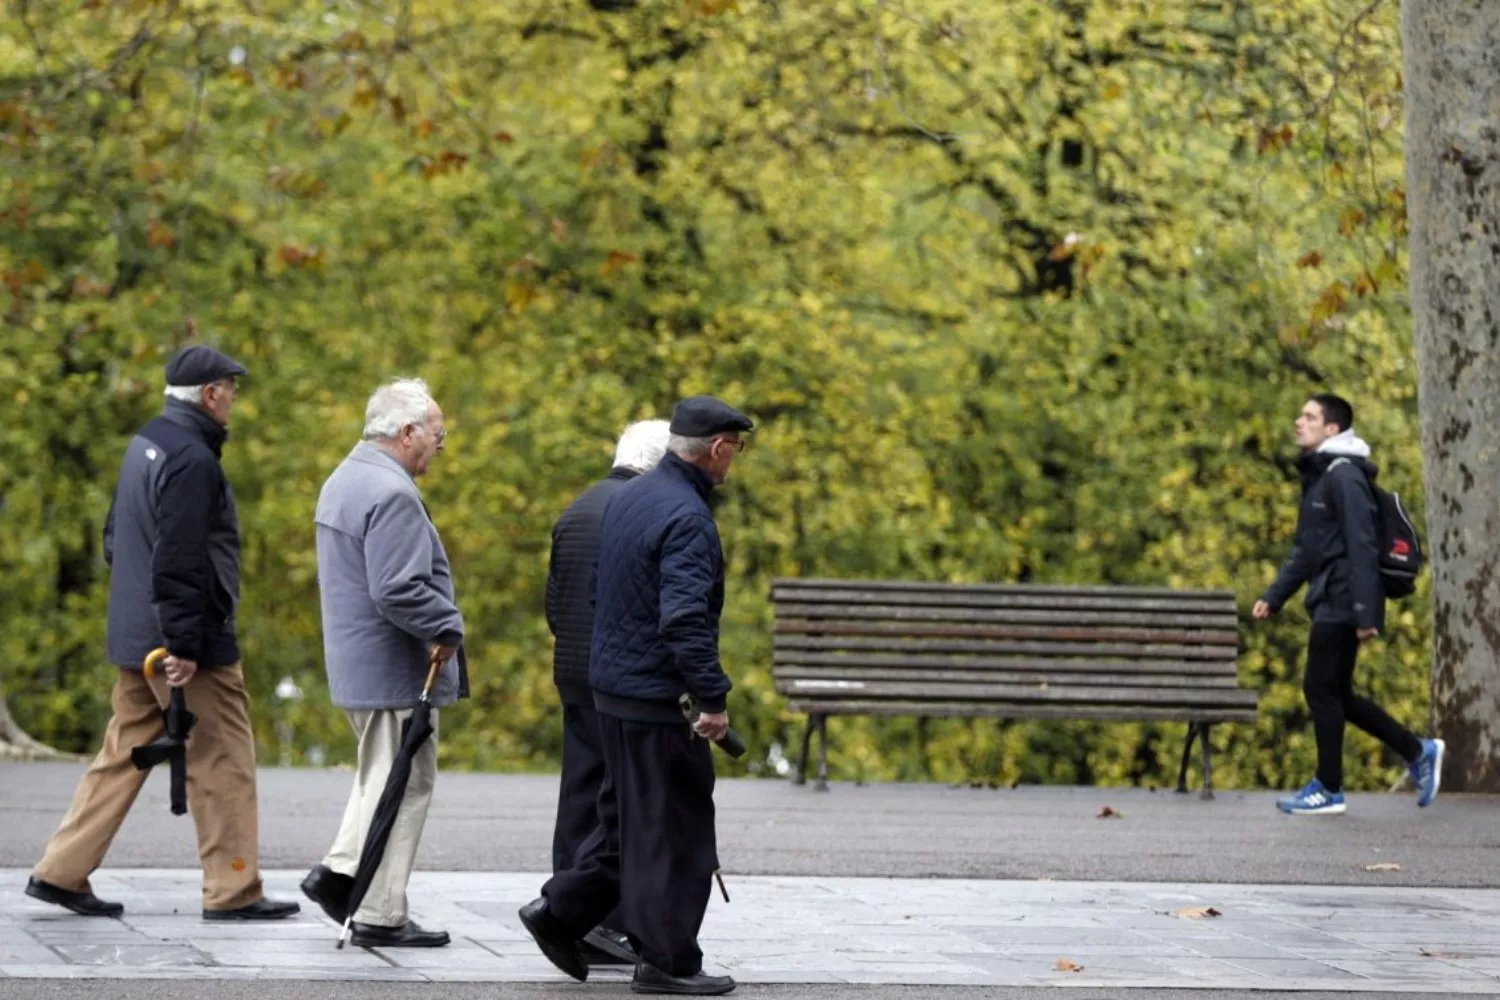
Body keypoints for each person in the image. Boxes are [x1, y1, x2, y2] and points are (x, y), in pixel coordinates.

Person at [27, 345, 299, 922]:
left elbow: (114, 538)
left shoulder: (146, 442)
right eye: (231, 389)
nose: (234, 400)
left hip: (136, 633)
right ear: (209, 395)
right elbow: (179, 559)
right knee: (223, 758)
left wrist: (145, 621)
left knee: (124, 752)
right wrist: (183, 643)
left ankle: (61, 870)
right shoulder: (194, 461)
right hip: (181, 643)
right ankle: (233, 889)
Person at [518, 395, 751, 997]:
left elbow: (598, 593)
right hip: (655, 699)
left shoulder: (631, 499)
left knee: (627, 826)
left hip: (612, 692)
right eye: (738, 449)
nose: (736, 461)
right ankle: (668, 961)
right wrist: (712, 700)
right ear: (719, 449)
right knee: (677, 829)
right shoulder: (688, 518)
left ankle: (560, 912)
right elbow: (684, 621)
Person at [299, 379, 465, 948]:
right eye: (438, 433)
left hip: (359, 665)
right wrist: (448, 624)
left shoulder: (346, 478)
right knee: (404, 783)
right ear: (407, 432)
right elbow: (397, 589)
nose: (442, 444)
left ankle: (344, 877)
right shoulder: (390, 492)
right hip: (392, 668)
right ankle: (375, 907)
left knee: (382, 778)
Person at [1254, 393, 1444, 815]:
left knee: (1319, 688)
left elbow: (1362, 544)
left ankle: (1329, 787)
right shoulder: (1323, 478)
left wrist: (1366, 613)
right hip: (1332, 595)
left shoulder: (1345, 477)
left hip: (1343, 598)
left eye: (1309, 416)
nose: (1298, 422)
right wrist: (1274, 596)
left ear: (1332, 428)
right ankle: (1418, 750)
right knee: (1337, 691)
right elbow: (1307, 551)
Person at [545, 419, 672, 968]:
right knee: (620, 803)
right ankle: (599, 921)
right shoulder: (637, 512)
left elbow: (554, 598)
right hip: (615, 678)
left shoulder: (577, 507)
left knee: (578, 794)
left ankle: (567, 914)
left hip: (571, 668)